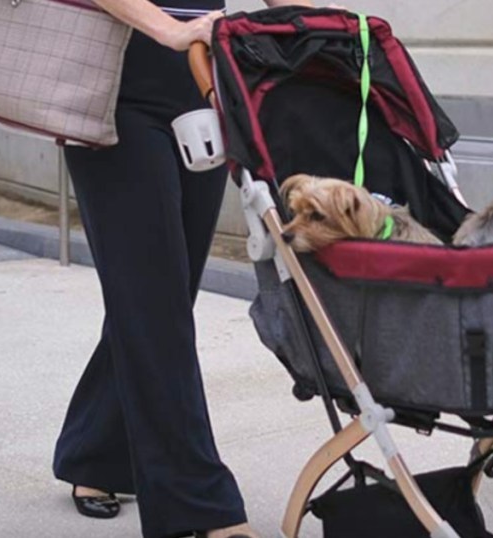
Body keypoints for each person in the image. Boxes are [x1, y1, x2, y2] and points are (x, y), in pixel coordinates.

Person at [52, 1, 313, 537]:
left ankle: (95, 453)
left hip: (198, 79)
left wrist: (319, 23)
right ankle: (199, 504)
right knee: (155, 305)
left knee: (161, 293)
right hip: (111, 84)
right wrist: (168, 29)